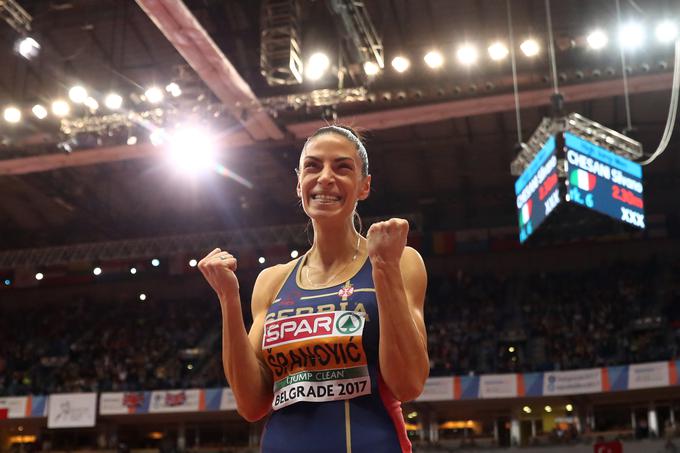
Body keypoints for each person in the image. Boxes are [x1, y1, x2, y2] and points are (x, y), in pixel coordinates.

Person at [198, 125, 429, 452]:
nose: (325, 177)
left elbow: (408, 384)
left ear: (364, 186)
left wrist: (385, 269)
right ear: (298, 184)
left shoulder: (399, 261)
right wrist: (228, 298)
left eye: (342, 167)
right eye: (313, 166)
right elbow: (251, 405)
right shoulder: (272, 281)